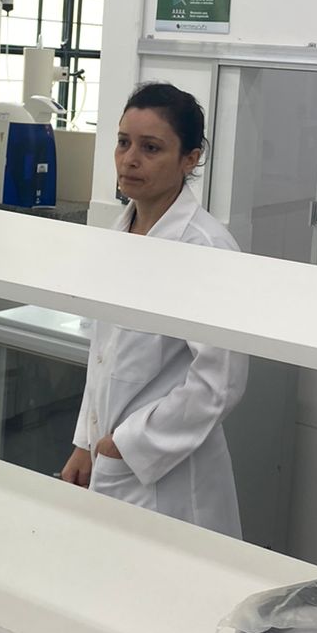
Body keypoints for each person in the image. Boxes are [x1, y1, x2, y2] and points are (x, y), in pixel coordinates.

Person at [59, 83, 247, 536]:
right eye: (123, 143)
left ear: (190, 158)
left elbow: (219, 383)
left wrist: (126, 446)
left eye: (151, 148)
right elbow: (103, 357)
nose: (129, 159)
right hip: (109, 456)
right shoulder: (119, 234)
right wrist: (85, 442)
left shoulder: (206, 248)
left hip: (171, 477)